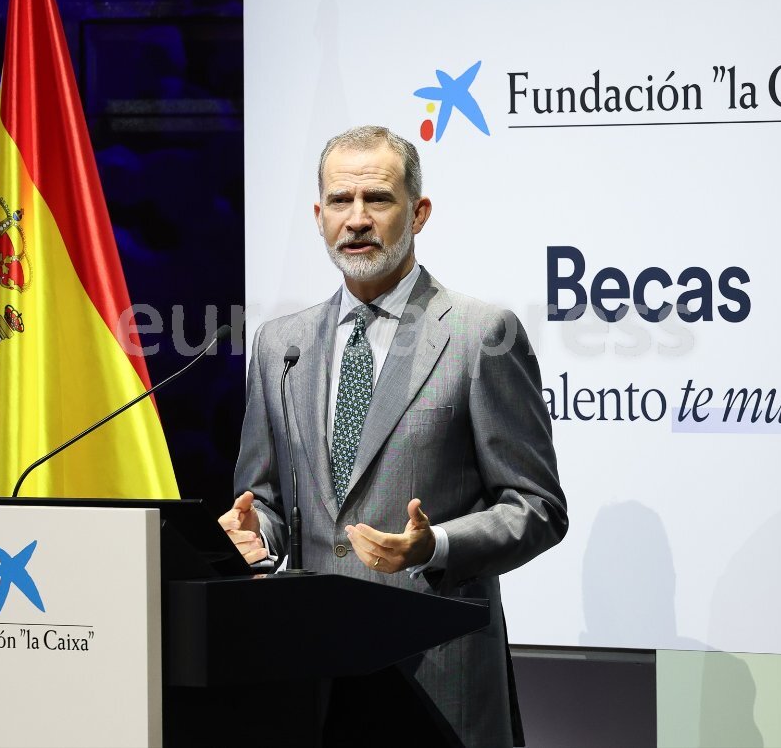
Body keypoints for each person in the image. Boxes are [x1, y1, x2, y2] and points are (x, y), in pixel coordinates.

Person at [219, 125, 567, 747]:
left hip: (436, 676)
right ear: (319, 216)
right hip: (311, 677)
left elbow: (537, 507)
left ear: (419, 213)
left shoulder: (480, 335)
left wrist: (435, 545)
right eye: (340, 201)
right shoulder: (280, 345)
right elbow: (267, 499)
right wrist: (256, 534)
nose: (357, 219)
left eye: (377, 199)